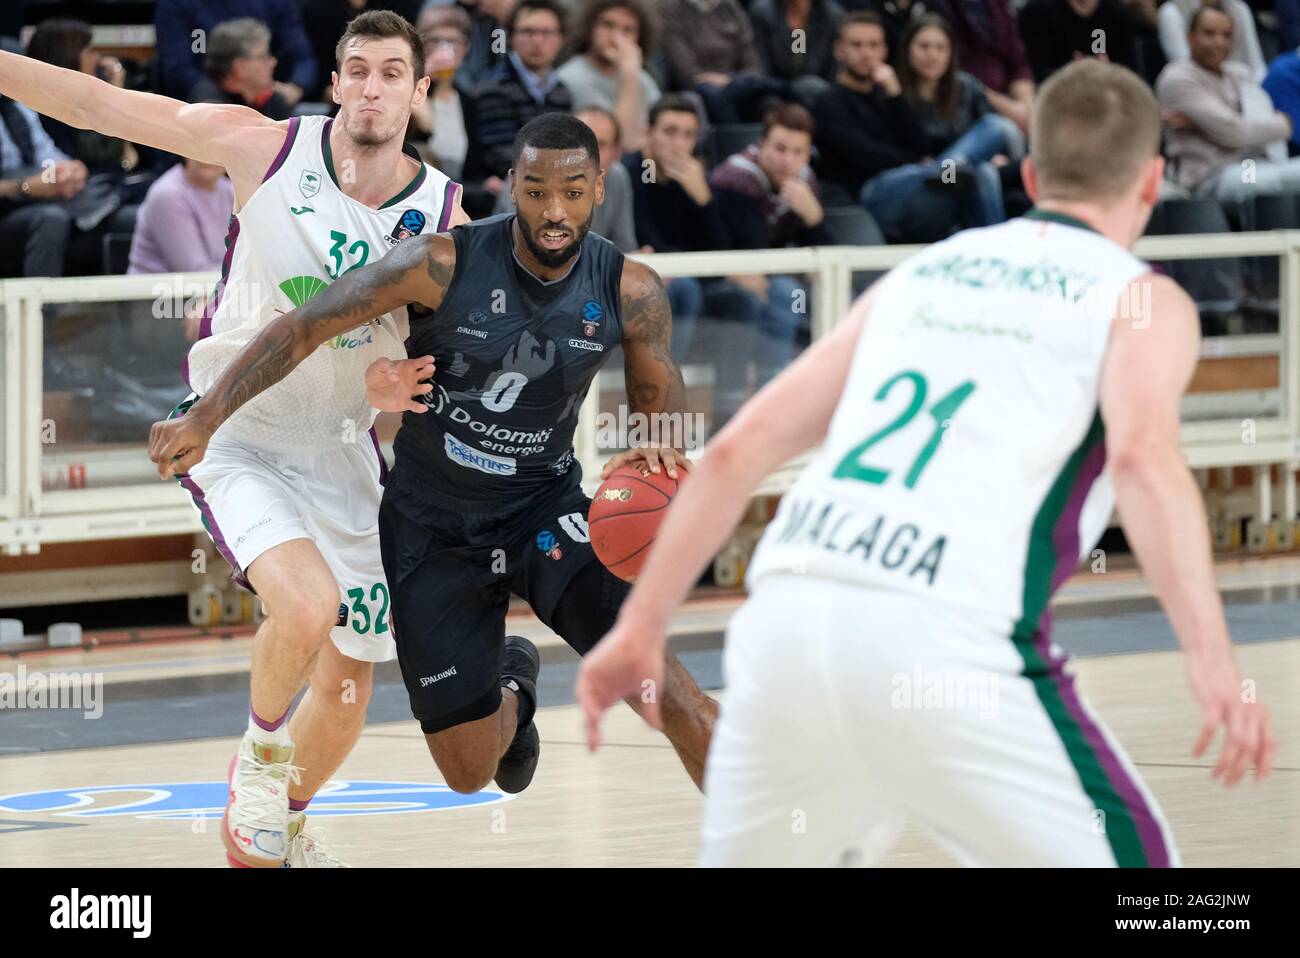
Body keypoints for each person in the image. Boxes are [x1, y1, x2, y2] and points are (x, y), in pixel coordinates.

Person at [577, 60, 1276, 866]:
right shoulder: (1141, 297)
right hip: (948, 639)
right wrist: (1215, 661)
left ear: (1031, 174)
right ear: (1154, 182)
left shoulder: (922, 275)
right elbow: (1146, 460)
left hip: (786, 625)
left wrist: (642, 624)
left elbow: (737, 450)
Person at [0, 9, 469, 867]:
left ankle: (285, 819)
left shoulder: (443, 211)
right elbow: (102, 107)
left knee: (352, 678)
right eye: (356, 69)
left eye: (391, 72)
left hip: (342, 447)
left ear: (419, 92)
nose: (371, 86)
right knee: (306, 604)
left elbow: (431, 364)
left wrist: (389, 390)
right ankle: (258, 759)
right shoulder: (265, 147)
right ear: (334, 84)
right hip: (235, 430)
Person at [148, 113, 720, 800]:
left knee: (675, 700)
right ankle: (515, 685)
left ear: (600, 188)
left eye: (572, 191)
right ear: (511, 186)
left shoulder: (630, 289)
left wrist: (663, 442)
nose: (554, 210)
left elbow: (662, 405)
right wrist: (209, 414)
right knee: (470, 770)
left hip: (546, 510)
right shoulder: (437, 262)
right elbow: (303, 325)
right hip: (432, 526)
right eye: (536, 191)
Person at [1156, 6, 1293, 202]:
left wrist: (1217, 128)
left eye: (1227, 35)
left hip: (1252, 164)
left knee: (1281, 177)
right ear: (1190, 37)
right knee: (1280, 179)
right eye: (1209, 33)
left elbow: (1245, 128)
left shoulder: (1238, 74)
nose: (1219, 42)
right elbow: (1235, 132)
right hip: (1210, 177)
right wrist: (1287, 123)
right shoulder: (1177, 77)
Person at [154, 0, 317, 106]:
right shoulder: (176, 5)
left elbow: (303, 56)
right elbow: (177, 70)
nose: (273, 61)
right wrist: (221, 95)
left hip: (262, 95)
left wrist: (296, 86)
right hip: (205, 99)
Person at [555, 0, 661, 152]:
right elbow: (620, 143)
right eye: (608, 25)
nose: (616, 37)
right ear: (590, 28)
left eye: (627, 30)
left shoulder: (643, 78)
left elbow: (661, 132)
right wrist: (630, 75)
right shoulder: (572, 76)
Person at [127, 158, 235, 274]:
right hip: (153, 290)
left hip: (215, 287)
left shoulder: (230, 190)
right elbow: (194, 272)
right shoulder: (168, 194)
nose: (207, 155)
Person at [190, 18, 294, 121]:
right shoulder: (210, 107)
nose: (273, 62)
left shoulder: (274, 101)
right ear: (240, 67)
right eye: (263, 56)